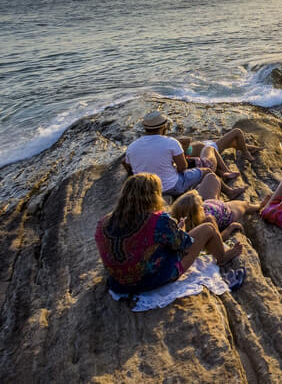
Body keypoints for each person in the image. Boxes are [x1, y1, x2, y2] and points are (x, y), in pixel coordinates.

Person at [95, 173, 243, 294]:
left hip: (118, 283)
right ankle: (223, 257)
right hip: (153, 278)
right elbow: (183, 245)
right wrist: (179, 230)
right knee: (208, 228)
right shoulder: (159, 221)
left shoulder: (104, 222)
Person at [125, 112, 245, 199]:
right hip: (172, 186)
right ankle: (229, 192)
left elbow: (128, 167)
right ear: (163, 127)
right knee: (207, 171)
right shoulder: (170, 142)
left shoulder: (132, 147)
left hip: (146, 189)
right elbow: (183, 167)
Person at [170, 186, 262, 240]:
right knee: (245, 205)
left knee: (212, 177)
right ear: (196, 212)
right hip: (227, 213)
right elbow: (218, 238)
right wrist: (231, 227)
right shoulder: (207, 221)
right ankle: (260, 206)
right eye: (200, 205)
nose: (202, 201)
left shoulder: (176, 220)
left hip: (215, 206)